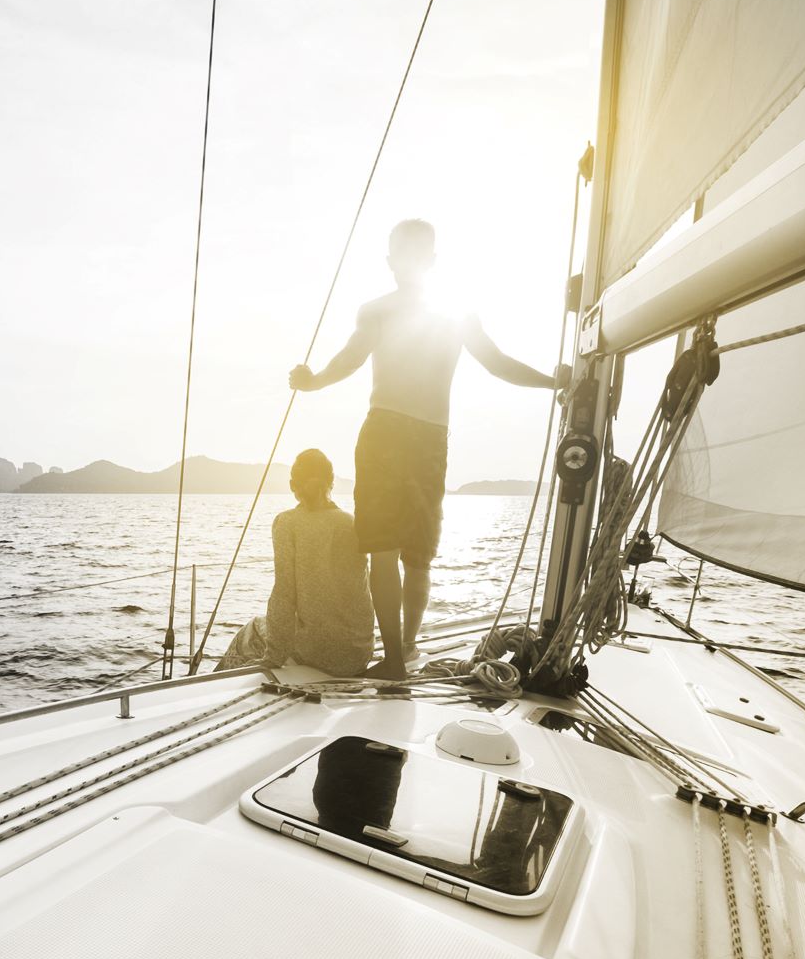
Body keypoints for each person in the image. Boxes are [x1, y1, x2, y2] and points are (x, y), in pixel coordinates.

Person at [289, 217, 565, 678]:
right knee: (406, 554)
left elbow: (494, 362)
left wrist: (553, 381)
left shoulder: (398, 311)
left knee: (403, 553)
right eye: (407, 253)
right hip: (411, 437)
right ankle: (400, 654)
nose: (411, 261)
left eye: (415, 253)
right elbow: (494, 363)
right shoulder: (428, 313)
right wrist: (553, 382)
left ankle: (400, 656)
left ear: (420, 261)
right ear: (398, 260)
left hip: (401, 436)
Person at [212, 448, 377, 678]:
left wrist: (274, 656)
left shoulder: (287, 523)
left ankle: (211, 688)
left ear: (292, 485)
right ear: (331, 482)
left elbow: (284, 593)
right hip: (357, 653)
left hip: (318, 653)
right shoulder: (352, 523)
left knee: (249, 632)